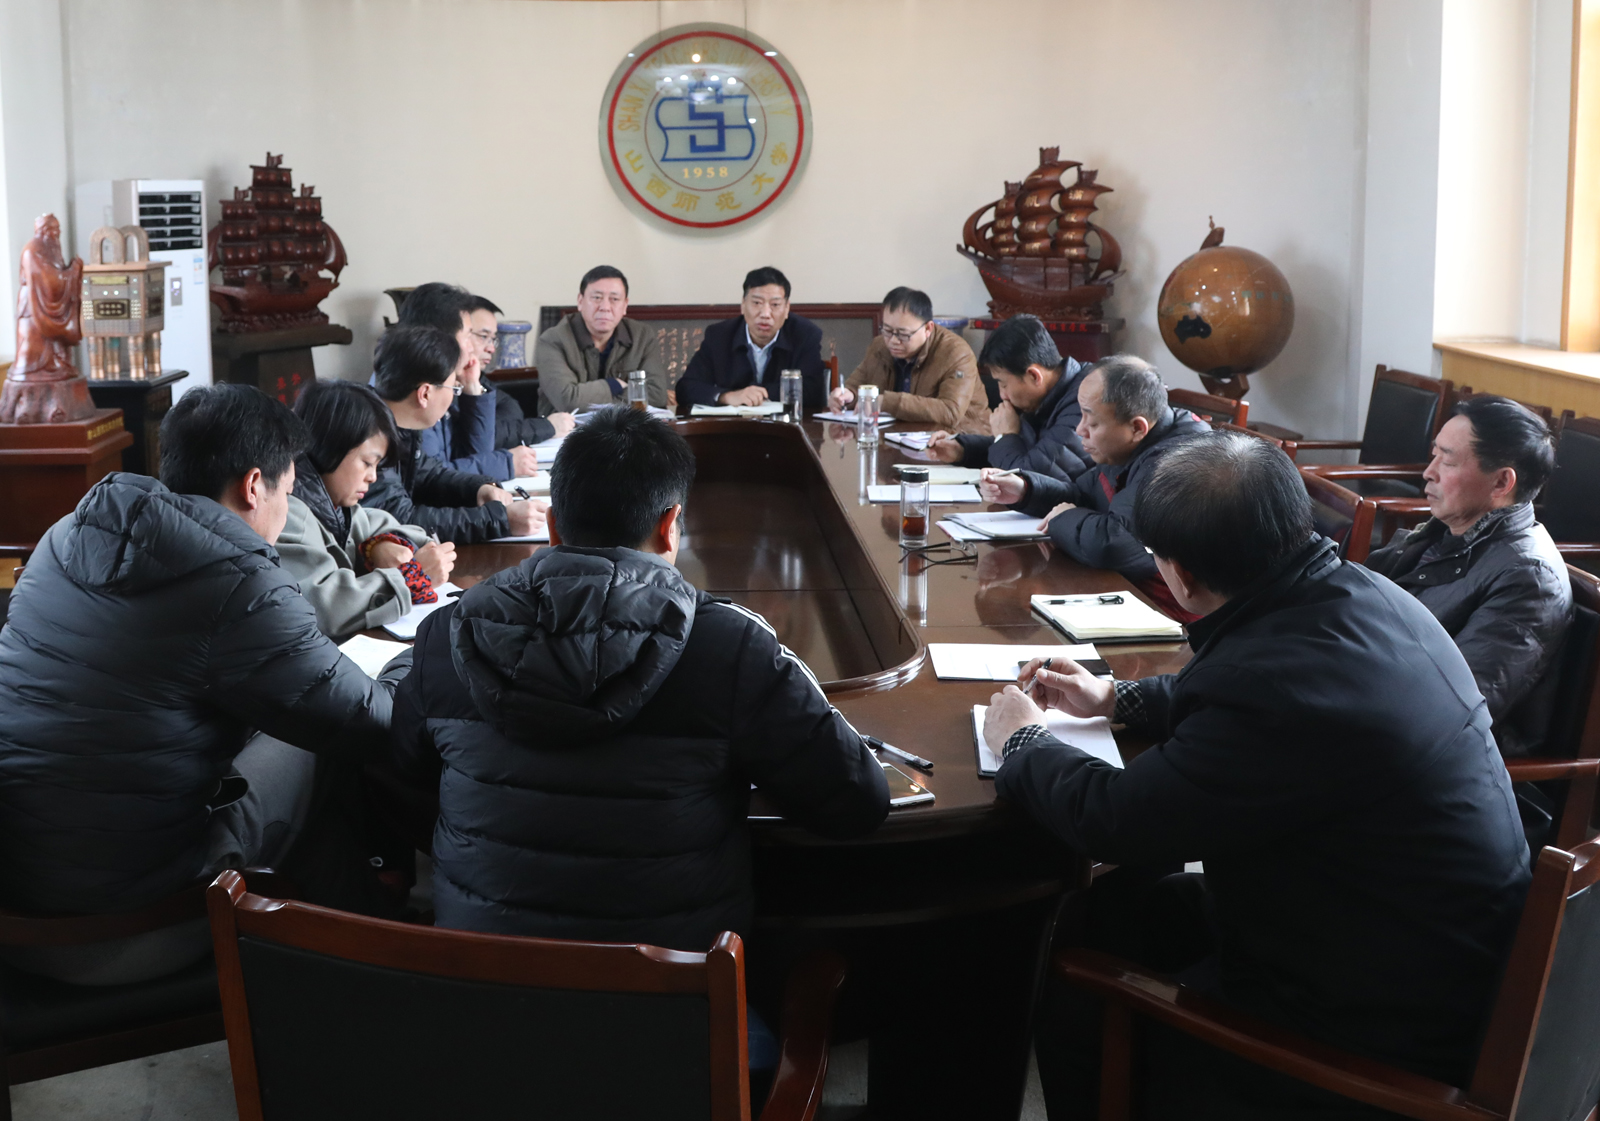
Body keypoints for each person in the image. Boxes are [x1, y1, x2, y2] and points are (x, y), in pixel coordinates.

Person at [982, 431, 1531, 1119]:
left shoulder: (1272, 686)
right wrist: (1114, 698)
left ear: (1181, 575)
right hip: (1425, 943)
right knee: (1123, 908)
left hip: (1374, 1032)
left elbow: (1113, 819)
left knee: (1075, 997)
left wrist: (1022, 738)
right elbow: (1238, 688)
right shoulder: (1355, 593)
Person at [391, 406, 889, 952]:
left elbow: (407, 777)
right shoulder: (730, 645)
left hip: (477, 989)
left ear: (553, 525)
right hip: (670, 999)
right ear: (670, 526)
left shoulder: (445, 634)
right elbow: (856, 801)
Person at [0, 385, 405, 984]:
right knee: (321, 743)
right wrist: (407, 663)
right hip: (125, 930)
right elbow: (371, 720)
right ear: (254, 486)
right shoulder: (237, 581)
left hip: (19, 904)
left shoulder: (67, 535)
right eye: (289, 493)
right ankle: (366, 954)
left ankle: (357, 935)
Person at [1366, 395, 1571, 760]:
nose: (1429, 472)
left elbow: (1456, 706)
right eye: (1434, 455)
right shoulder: (1446, 532)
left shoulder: (1529, 579)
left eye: (1447, 461)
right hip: (1376, 705)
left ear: (1501, 482)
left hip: (1432, 759)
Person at [979, 354, 1210, 618]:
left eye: (1092, 422)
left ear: (1137, 427)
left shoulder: (1177, 461)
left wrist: (1063, 519)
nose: (1079, 430)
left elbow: (1116, 544)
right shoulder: (1132, 445)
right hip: (1129, 594)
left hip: (1178, 619)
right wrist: (1025, 490)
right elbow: (1083, 494)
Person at [277, 380, 456, 642]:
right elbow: (324, 607)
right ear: (331, 448)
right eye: (367, 463)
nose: (372, 477)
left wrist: (380, 545)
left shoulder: (338, 507)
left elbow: (380, 523)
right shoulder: (287, 513)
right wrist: (410, 577)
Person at [361, 325, 545, 544]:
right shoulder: (366, 436)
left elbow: (428, 475)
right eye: (453, 389)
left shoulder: (395, 423)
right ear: (425, 394)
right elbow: (401, 521)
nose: (452, 399)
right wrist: (500, 520)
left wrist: (478, 489)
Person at [402, 283, 540, 481]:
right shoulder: (416, 389)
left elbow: (471, 456)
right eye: (468, 336)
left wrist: (473, 390)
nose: (471, 348)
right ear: (441, 337)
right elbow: (427, 480)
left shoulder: (443, 380)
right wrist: (505, 464)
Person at [924, 314, 1090, 476]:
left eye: (1003, 384)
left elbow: (1030, 477)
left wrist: (1005, 436)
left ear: (1034, 376)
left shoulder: (1083, 404)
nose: (1002, 395)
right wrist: (962, 449)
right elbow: (1021, 449)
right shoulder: (1044, 397)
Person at [828, 286, 987, 433]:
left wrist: (884, 402)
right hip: (899, 438)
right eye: (887, 330)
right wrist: (848, 396)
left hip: (961, 439)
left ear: (928, 328)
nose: (893, 341)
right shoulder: (879, 346)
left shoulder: (956, 353)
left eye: (903, 334)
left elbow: (950, 412)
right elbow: (859, 385)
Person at [676, 266, 827, 412]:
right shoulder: (719, 336)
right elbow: (686, 388)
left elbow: (813, 391)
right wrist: (727, 396)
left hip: (787, 425)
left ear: (787, 308)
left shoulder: (805, 335)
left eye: (775, 304)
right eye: (757, 303)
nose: (765, 314)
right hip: (732, 426)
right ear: (743, 305)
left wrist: (756, 395)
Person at [535, 265, 669, 415]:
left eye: (614, 299)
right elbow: (568, 401)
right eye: (597, 298)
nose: (605, 307)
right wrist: (613, 385)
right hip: (570, 428)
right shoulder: (552, 340)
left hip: (625, 427)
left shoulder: (642, 336)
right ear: (580, 301)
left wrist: (587, 398)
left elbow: (657, 395)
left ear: (625, 305)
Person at [466, 294, 577, 450]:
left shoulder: (476, 377)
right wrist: (547, 426)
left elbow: (510, 406)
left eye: (493, 339)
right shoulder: (446, 383)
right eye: (483, 336)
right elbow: (481, 437)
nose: (491, 348)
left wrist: (499, 428)